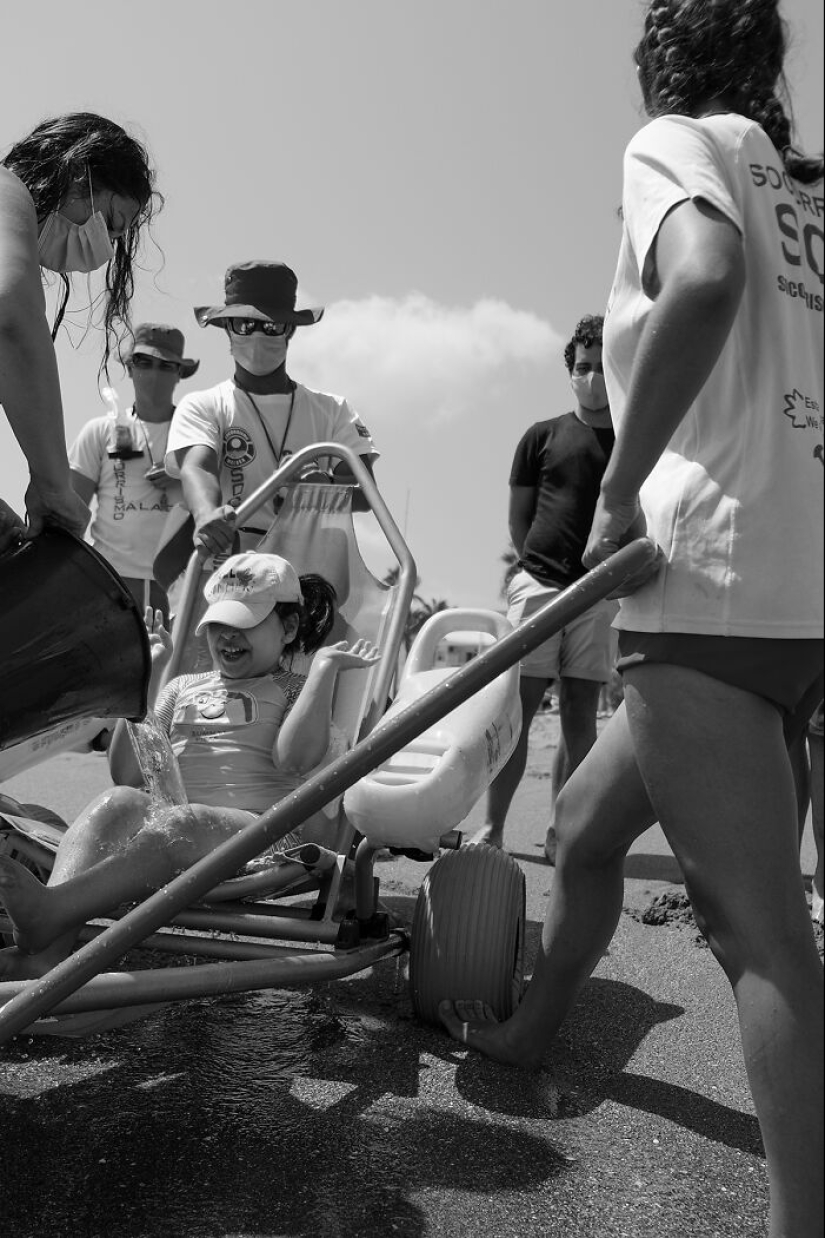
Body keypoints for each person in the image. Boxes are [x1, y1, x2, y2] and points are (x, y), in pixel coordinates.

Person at [441, 4, 823, 1236]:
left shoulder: (678, 141)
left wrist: (617, 492)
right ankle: (534, 1027)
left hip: (715, 577)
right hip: (806, 584)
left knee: (756, 934)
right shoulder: (809, 191)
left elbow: (700, 281)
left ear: (660, 64)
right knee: (586, 824)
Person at [0, 551, 380, 980]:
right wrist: (146, 676)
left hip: (260, 834)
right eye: (218, 623)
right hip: (174, 825)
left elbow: (296, 760)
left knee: (184, 822)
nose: (227, 636)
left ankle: (51, 911)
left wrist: (323, 672)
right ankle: (47, 956)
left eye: (245, 622)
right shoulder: (182, 687)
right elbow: (127, 772)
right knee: (117, 802)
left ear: (289, 628)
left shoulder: (294, 689)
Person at [469, 316, 616, 857]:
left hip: (599, 593)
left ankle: (566, 832)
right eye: (583, 367)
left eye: (602, 366)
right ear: (569, 371)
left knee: (581, 716)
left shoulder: (631, 440)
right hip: (538, 588)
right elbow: (520, 518)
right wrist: (535, 570)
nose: (593, 377)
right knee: (517, 713)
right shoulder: (541, 436)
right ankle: (493, 827)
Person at [0, 112, 157, 554]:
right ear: (75, 176)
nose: (104, 247)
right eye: (109, 222)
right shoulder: (5, 191)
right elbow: (11, 323)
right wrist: (52, 485)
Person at [164, 260, 379, 562]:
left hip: (309, 572)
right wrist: (206, 514)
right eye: (244, 324)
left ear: (290, 329)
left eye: (272, 326)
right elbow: (198, 467)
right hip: (229, 570)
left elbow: (365, 491)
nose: (257, 335)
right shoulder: (203, 405)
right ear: (227, 327)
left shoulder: (334, 410)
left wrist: (323, 488)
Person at [69, 323, 200, 624]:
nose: (153, 373)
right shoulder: (100, 430)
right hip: (110, 582)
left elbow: (227, 496)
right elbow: (70, 513)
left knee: (175, 672)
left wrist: (188, 475)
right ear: (129, 367)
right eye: (143, 362)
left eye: (166, 365)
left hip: (180, 583)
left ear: (180, 373)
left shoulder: (199, 436)